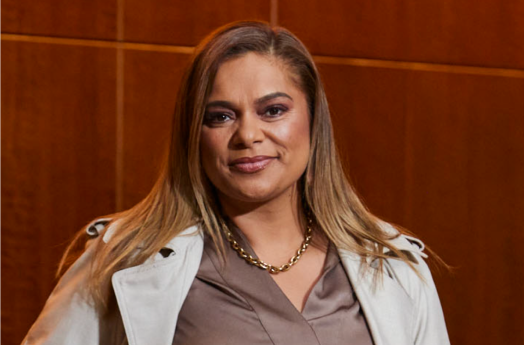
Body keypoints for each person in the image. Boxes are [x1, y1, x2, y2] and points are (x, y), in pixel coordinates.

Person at [23, 20, 450, 345]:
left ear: (313, 121)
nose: (248, 136)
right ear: (194, 133)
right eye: (221, 116)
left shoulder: (393, 264)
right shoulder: (127, 259)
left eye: (273, 110)